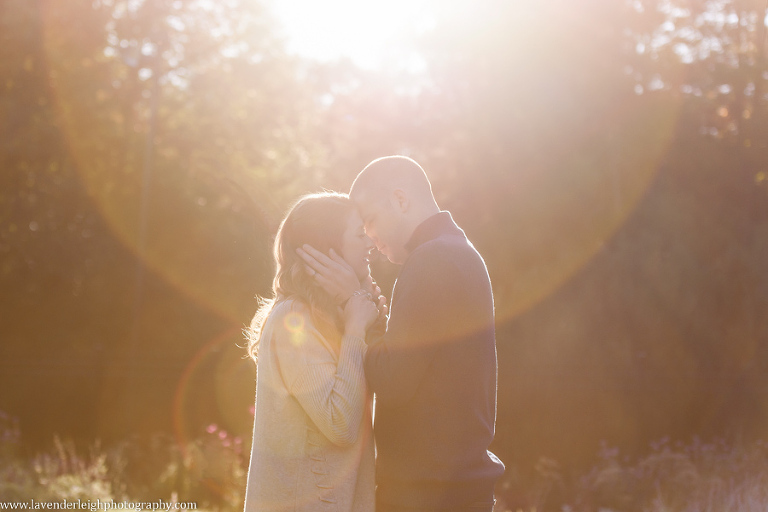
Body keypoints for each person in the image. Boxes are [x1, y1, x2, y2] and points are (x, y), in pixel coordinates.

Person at [298, 156, 505, 512]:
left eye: (370, 221)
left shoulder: (431, 260)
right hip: (451, 487)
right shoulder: (456, 252)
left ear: (401, 200)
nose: (370, 238)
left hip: (432, 494)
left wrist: (354, 306)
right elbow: (415, 362)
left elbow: (393, 379)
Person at [244, 192, 386, 512]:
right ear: (329, 246)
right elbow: (341, 425)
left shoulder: (336, 316)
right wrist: (355, 331)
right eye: (360, 234)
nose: (371, 245)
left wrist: (368, 324)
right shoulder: (292, 320)